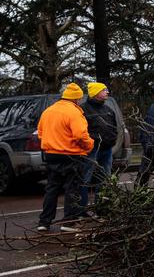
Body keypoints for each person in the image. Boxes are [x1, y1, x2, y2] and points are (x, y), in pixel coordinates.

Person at [36, 83, 94, 232]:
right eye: (80, 99)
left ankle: (44, 222)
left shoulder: (48, 111)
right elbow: (80, 135)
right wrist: (89, 145)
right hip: (72, 155)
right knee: (72, 188)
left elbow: (40, 133)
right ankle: (69, 222)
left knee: (52, 189)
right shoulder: (74, 112)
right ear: (76, 99)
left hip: (51, 155)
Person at [80, 82, 118, 209]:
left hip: (106, 149)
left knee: (104, 179)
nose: (107, 92)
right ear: (95, 93)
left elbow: (114, 127)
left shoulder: (108, 109)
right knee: (85, 178)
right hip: (91, 150)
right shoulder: (83, 109)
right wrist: (94, 139)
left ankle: (101, 207)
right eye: (104, 90)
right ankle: (82, 209)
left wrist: (113, 138)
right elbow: (81, 130)